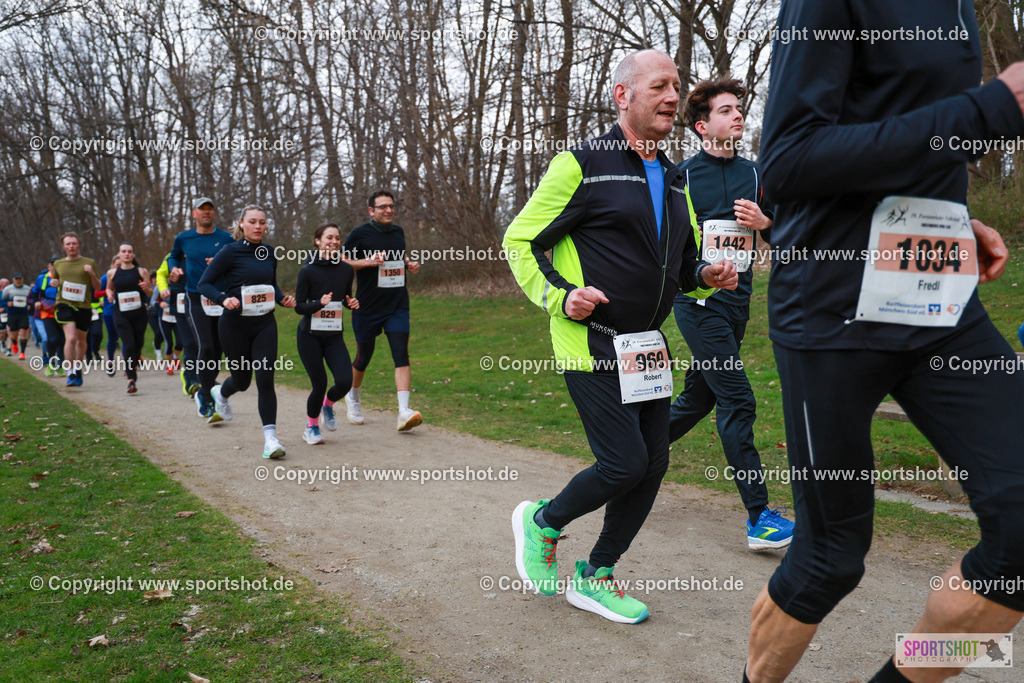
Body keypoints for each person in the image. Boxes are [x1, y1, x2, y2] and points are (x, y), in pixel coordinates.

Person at [743, 4, 1024, 682]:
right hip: (833, 305)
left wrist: (952, 218)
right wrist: (994, 107)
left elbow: (904, 132)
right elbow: (787, 161)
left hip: (936, 296)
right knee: (831, 555)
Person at [504, 49, 737, 624]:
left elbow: (679, 262)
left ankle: (597, 574)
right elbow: (519, 240)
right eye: (658, 85)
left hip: (645, 346)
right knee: (623, 463)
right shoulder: (580, 164)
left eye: (676, 87)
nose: (671, 96)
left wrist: (705, 273)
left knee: (653, 464)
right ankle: (542, 522)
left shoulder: (675, 176)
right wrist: (560, 296)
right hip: (590, 342)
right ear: (622, 95)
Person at [668, 76, 794, 551]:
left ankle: (630, 457)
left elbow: (790, 237)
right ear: (703, 126)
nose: (737, 115)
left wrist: (766, 224)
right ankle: (759, 516)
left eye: (739, 109)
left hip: (737, 308)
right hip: (699, 304)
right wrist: (702, 270)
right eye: (725, 110)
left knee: (697, 402)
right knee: (738, 400)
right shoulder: (680, 177)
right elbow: (668, 245)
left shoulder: (759, 175)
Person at [199, 205, 296, 458]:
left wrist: (282, 298)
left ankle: (271, 440)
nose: (258, 226)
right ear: (241, 224)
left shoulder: (270, 252)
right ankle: (221, 392)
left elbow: (271, 285)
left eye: (262, 222)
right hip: (234, 325)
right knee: (241, 381)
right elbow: (204, 284)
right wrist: (222, 299)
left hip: (264, 323)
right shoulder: (229, 252)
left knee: (265, 379)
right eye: (252, 222)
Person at [342, 190, 423, 431]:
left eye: (391, 206)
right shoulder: (359, 234)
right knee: (363, 357)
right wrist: (368, 261)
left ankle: (403, 412)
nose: (388, 210)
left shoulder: (398, 232)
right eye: (382, 207)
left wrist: (409, 264)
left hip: (397, 305)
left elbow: (399, 256)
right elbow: (341, 260)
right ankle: (353, 397)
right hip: (367, 307)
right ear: (371, 211)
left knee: (401, 353)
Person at [294, 223, 359, 445]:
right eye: (329, 237)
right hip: (309, 336)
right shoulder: (308, 270)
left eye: (337, 238)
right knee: (319, 383)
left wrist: (352, 303)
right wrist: (317, 304)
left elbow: (345, 299)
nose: (334, 242)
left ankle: (328, 406)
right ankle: (311, 428)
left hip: (333, 335)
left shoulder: (346, 269)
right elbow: (299, 307)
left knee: (344, 381)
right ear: (318, 241)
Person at [169, 197, 233, 420]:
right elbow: (174, 256)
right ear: (194, 213)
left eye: (210, 209)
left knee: (217, 349)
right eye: (201, 209)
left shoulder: (226, 238)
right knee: (204, 346)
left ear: (213, 214)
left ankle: (206, 389)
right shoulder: (184, 237)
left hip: (220, 297)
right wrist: (174, 268)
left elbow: (235, 262)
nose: (206, 212)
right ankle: (205, 395)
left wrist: (219, 264)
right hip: (195, 297)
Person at [52, 232, 102, 386]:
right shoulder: (58, 264)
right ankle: (70, 372)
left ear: (79, 245)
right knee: (71, 337)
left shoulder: (89, 262)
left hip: (84, 306)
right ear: (63, 247)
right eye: (68, 244)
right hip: (64, 303)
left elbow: (98, 287)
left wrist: (92, 274)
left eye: (74, 243)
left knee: (81, 340)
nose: (71, 246)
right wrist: (54, 283)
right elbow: (55, 281)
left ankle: (78, 368)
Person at [105, 243, 151, 394]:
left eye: (129, 252)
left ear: (133, 255)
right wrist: (110, 294)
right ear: (119, 254)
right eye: (124, 252)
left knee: (138, 345)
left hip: (139, 314)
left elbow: (150, 292)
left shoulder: (141, 271)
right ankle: (131, 379)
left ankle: (132, 367)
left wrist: (146, 288)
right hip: (121, 314)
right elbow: (109, 287)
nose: (127, 254)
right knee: (129, 344)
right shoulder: (112, 273)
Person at [156, 252, 196, 390]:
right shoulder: (172, 257)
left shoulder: (202, 252)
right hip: (180, 305)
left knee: (204, 344)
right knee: (189, 343)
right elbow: (160, 274)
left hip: (200, 303)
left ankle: (197, 374)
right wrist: (163, 289)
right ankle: (192, 380)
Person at [32, 258, 64, 376]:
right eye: (53, 265)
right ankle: (51, 363)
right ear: (49, 266)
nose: (55, 268)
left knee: (63, 340)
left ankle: (60, 366)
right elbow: (35, 291)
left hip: (62, 311)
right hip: (47, 312)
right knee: (53, 338)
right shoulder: (42, 278)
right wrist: (36, 302)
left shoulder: (65, 277)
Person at [2, 273, 33, 360]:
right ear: (13, 280)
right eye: (16, 279)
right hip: (12, 313)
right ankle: (14, 343)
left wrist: (29, 305)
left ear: (22, 279)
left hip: (23, 313)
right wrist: (7, 304)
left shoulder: (27, 289)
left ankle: (22, 353)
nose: (18, 281)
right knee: (13, 334)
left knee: (23, 331)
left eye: (20, 279)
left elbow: (31, 299)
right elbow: (3, 300)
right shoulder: (8, 289)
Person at [98, 257, 121, 375]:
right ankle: (111, 362)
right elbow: (96, 293)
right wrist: (108, 291)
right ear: (112, 265)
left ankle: (131, 364)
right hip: (110, 311)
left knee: (127, 337)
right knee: (112, 337)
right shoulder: (106, 277)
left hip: (125, 310)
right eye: (117, 265)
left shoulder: (129, 275)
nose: (119, 267)